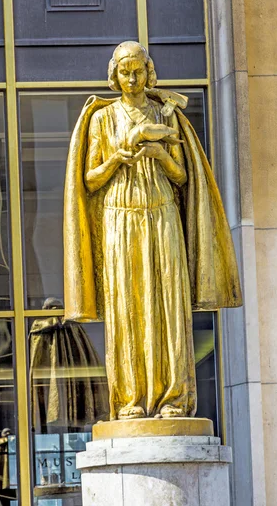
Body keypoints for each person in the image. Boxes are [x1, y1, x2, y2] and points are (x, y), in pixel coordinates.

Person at [63, 41, 242, 421]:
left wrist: (160, 153)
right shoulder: (102, 119)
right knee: (127, 308)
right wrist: (116, 158)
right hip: (119, 218)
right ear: (114, 75)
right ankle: (130, 401)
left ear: (148, 72)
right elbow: (90, 180)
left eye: (138, 71)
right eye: (125, 72)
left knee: (168, 305)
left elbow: (181, 176)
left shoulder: (166, 114)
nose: (131, 78)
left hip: (161, 213)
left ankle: (173, 398)